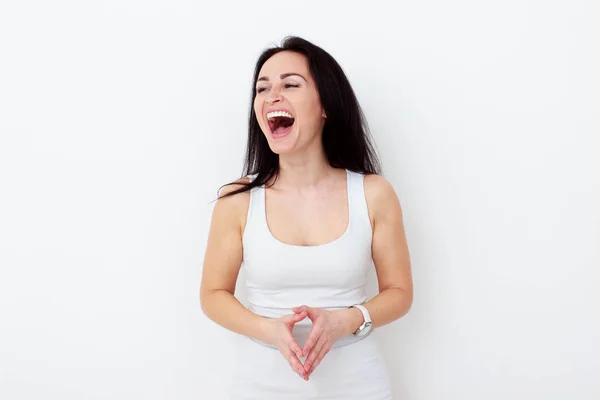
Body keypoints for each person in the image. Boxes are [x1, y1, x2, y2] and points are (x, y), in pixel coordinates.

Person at [200, 36, 413, 400]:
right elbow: (213, 294)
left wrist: (346, 320)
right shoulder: (237, 200)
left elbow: (400, 293)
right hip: (260, 383)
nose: (272, 96)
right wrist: (266, 329)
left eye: (290, 84)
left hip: (358, 383)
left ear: (325, 105)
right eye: (262, 88)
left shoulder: (374, 194)